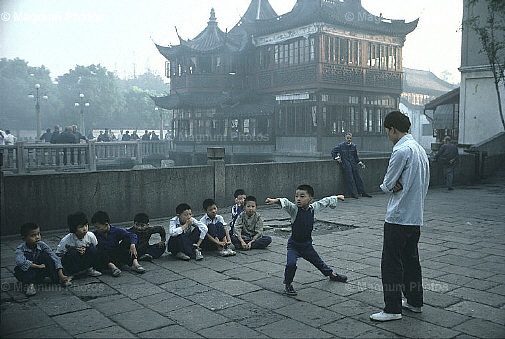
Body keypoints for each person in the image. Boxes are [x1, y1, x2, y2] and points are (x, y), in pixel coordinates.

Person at [369, 111, 430, 322]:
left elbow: (387, 184)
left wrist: (391, 186)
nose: (387, 135)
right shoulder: (420, 150)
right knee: (411, 260)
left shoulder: (401, 150)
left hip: (398, 216)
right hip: (415, 215)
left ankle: (392, 308)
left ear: (393, 129)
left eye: (387, 131)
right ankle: (415, 301)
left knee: (391, 262)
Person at [265, 184, 348, 296]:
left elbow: (324, 201)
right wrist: (275, 201)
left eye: (302, 196)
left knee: (318, 262)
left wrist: (337, 197)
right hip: (294, 245)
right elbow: (286, 202)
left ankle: (332, 274)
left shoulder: (313, 208)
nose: (298, 199)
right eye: (296, 196)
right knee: (291, 264)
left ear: (310, 199)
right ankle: (288, 284)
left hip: (307, 245)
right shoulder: (294, 210)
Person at [14, 222, 72, 296]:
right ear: (24, 238)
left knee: (46, 256)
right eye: (33, 235)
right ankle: (30, 284)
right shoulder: (20, 249)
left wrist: (60, 273)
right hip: (30, 271)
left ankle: (59, 279)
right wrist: (37, 266)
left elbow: (54, 256)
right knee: (21, 266)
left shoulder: (42, 245)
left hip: (41, 271)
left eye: (38, 234)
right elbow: (20, 262)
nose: (37, 237)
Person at [56, 212, 110, 278]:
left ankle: (89, 269)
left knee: (93, 249)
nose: (85, 229)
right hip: (73, 261)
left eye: (86, 225)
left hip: (86, 260)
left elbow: (97, 249)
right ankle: (74, 272)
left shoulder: (90, 236)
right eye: (81, 227)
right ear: (74, 228)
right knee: (72, 252)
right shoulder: (67, 240)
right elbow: (59, 255)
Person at [91, 210, 146, 275]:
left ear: (106, 224)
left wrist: (132, 244)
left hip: (116, 254)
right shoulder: (95, 234)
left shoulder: (116, 230)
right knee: (97, 248)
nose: (97, 229)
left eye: (98, 227)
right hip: (105, 258)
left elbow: (132, 235)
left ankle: (135, 264)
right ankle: (112, 267)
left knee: (129, 240)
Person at [331, 133, 372, 199]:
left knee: (358, 178)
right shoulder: (341, 146)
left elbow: (355, 156)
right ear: (345, 138)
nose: (349, 139)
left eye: (350, 138)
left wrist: (360, 162)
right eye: (347, 138)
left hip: (353, 164)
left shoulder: (353, 146)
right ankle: (353, 194)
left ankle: (362, 192)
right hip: (346, 165)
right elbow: (333, 152)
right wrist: (337, 158)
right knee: (350, 179)